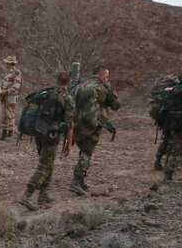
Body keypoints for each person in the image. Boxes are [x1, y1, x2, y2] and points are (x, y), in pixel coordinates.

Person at [18, 71, 75, 210]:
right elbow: (70, 124)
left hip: (38, 132)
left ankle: (43, 195)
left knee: (47, 163)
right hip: (51, 135)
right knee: (44, 166)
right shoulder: (67, 98)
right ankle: (26, 195)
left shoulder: (47, 93)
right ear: (68, 83)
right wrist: (69, 144)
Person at [70, 65, 120, 195]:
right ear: (102, 75)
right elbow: (116, 105)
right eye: (107, 76)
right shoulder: (103, 86)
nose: (107, 78)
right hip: (92, 124)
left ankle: (81, 181)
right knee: (87, 152)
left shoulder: (80, 85)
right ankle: (76, 181)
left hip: (75, 125)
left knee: (83, 151)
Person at [154, 60, 182, 171]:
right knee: (173, 141)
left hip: (169, 116)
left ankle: (158, 161)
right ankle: (167, 164)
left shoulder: (177, 80)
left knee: (167, 139)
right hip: (178, 118)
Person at [0, 55, 22, 140]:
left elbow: (16, 86)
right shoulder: (7, 72)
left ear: (11, 63)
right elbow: (3, 83)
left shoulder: (16, 72)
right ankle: (3, 133)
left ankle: (10, 133)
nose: (6, 64)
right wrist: (0, 91)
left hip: (11, 97)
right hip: (4, 96)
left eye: (7, 63)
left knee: (10, 114)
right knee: (3, 114)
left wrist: (6, 91)